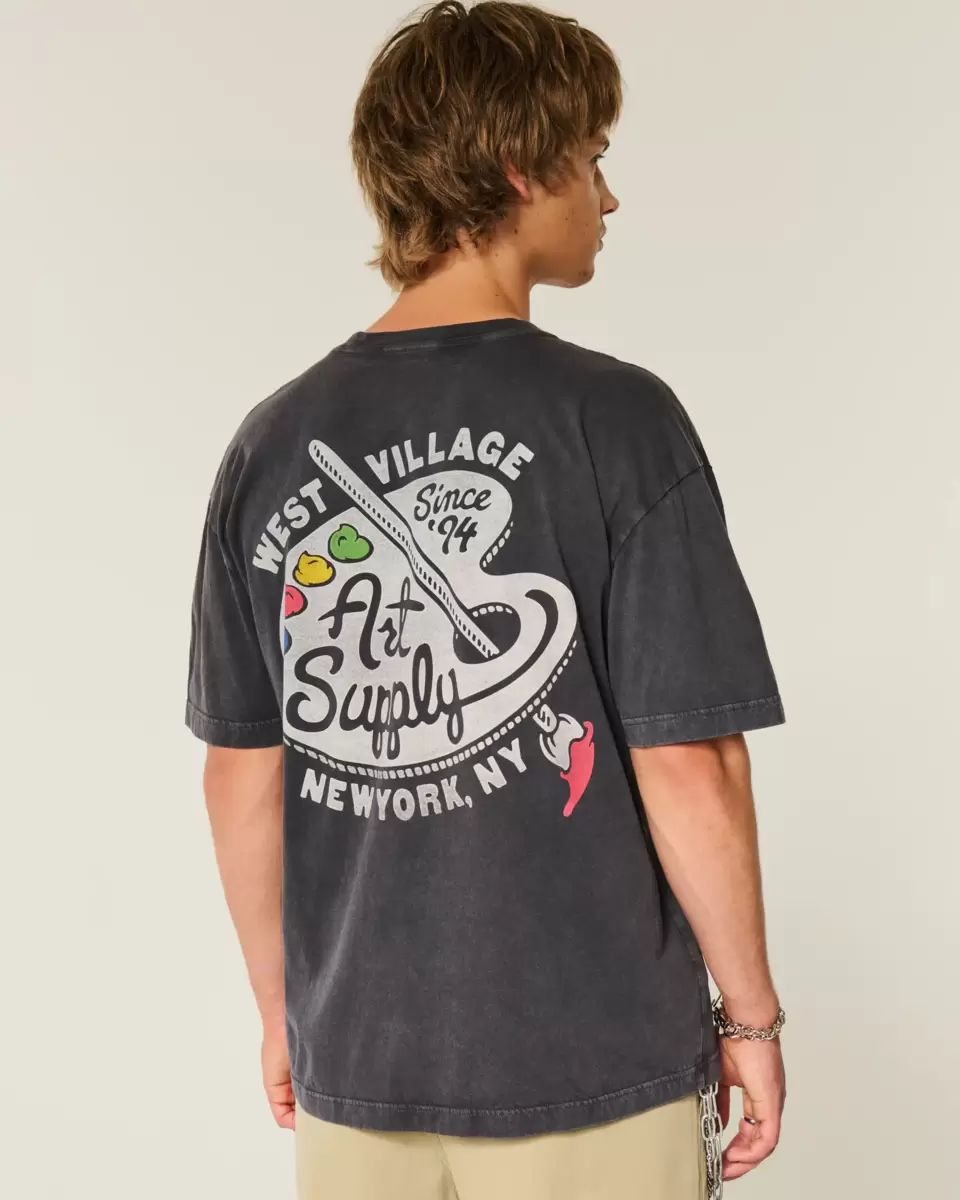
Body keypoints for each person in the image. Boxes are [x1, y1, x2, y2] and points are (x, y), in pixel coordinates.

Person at [184, 3, 787, 1197]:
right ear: (521, 165)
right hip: (591, 1069)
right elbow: (689, 762)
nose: (609, 196)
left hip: (359, 1074)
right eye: (594, 158)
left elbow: (241, 775)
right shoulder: (616, 422)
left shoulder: (271, 444)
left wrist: (283, 1012)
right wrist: (752, 1018)